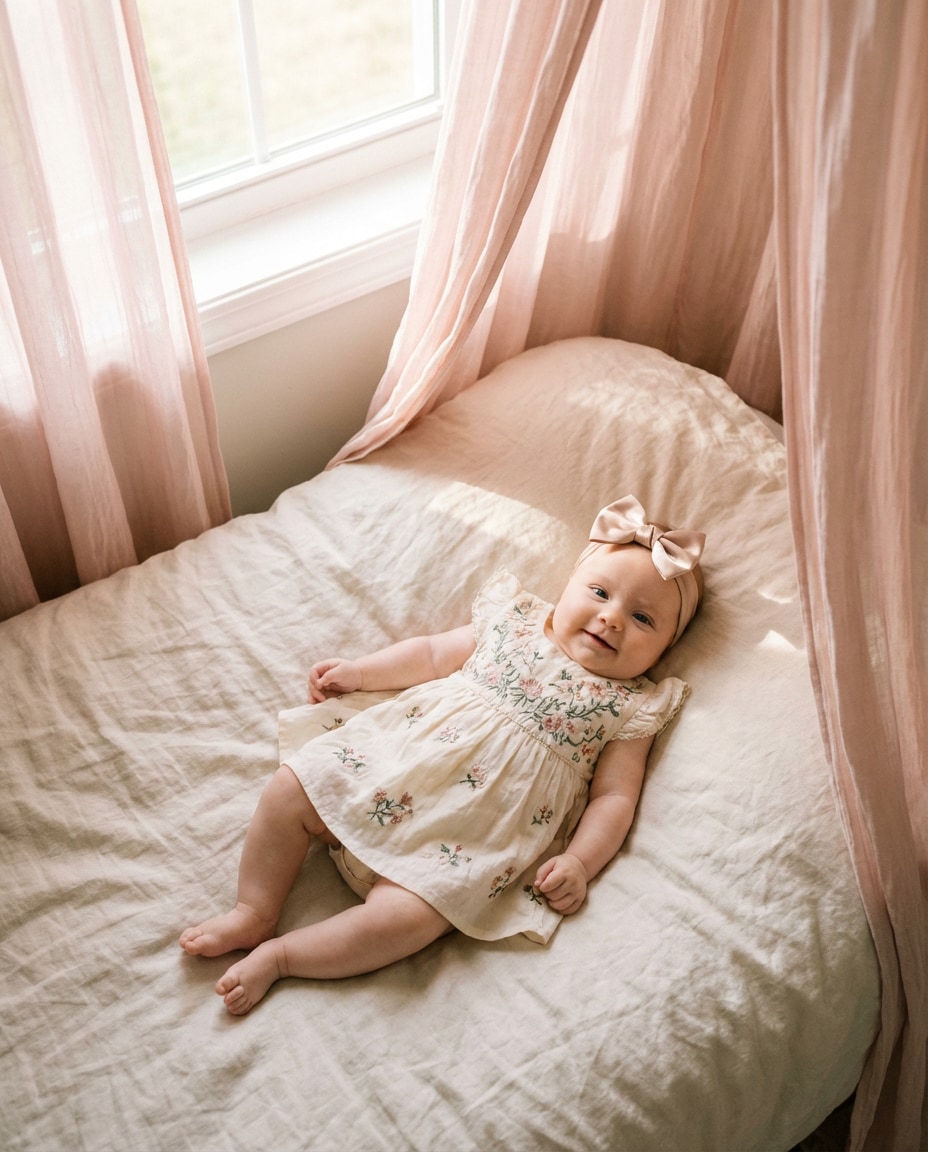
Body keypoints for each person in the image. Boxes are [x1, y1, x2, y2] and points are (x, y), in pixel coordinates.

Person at [180, 495, 706, 1014]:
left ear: (665, 649)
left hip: (463, 839)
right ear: (567, 586)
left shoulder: (633, 706)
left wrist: (579, 862)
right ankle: (254, 909)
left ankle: (285, 957)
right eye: (598, 592)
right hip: (391, 768)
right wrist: (362, 672)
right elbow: (431, 655)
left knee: (410, 921)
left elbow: (613, 798)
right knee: (293, 786)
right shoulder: (515, 622)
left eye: (642, 619)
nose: (612, 618)